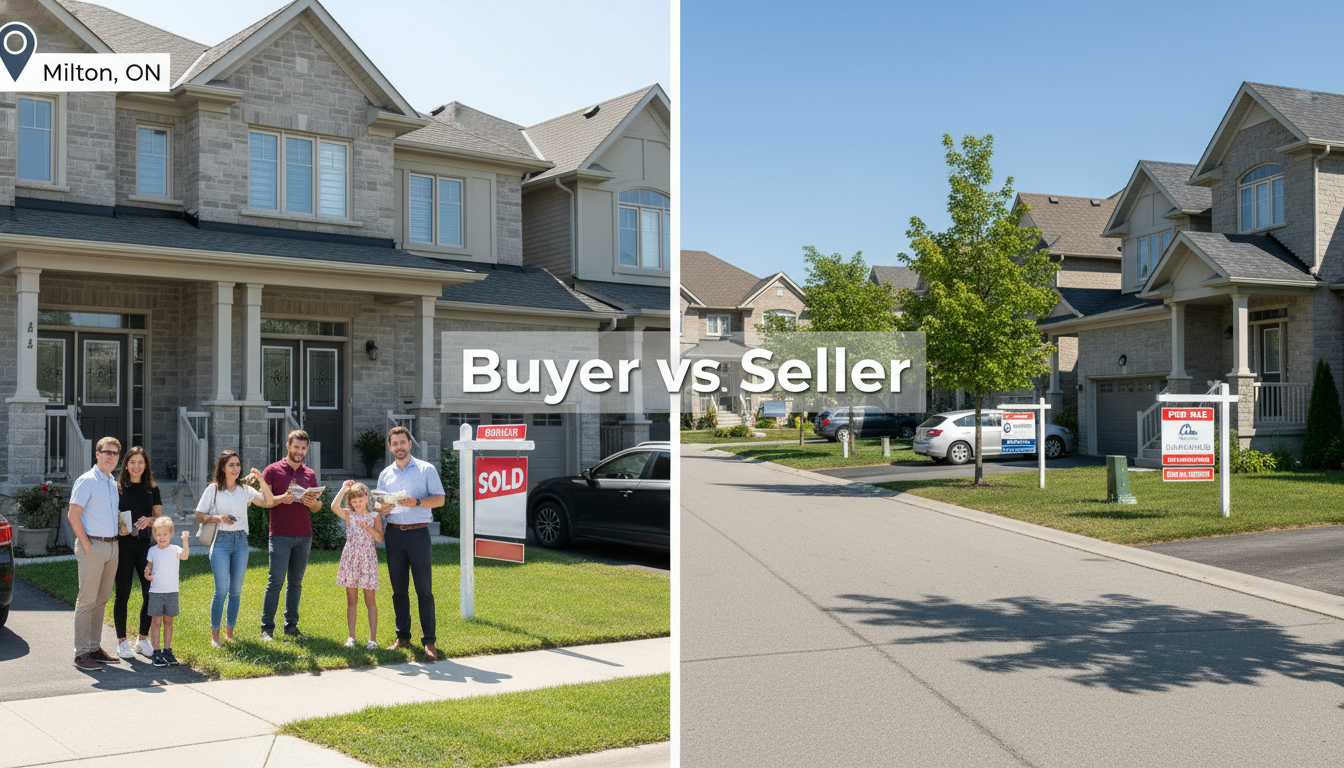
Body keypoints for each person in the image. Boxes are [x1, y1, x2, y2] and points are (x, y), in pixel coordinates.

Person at [195, 450, 287, 647]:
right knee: (221, 591)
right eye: (231, 465)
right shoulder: (213, 489)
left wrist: (262, 480)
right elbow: (199, 515)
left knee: (235, 591)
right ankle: (215, 638)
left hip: (241, 542)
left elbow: (269, 502)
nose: (236, 468)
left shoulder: (245, 490)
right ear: (222, 467)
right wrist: (218, 518)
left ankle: (230, 635)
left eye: (238, 465)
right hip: (220, 540)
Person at [375, 426, 446, 660]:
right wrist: (381, 508)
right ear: (390, 447)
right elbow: (378, 504)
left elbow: (439, 499)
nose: (399, 447)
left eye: (402, 442)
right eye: (394, 444)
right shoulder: (386, 474)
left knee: (424, 590)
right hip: (394, 534)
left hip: (418, 535)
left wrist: (416, 502)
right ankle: (403, 637)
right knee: (398, 591)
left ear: (409, 444)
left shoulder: (426, 469)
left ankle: (429, 642)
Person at [259, 430, 323, 642]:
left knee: (296, 582)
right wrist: (281, 499)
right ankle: (267, 629)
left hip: (304, 535)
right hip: (280, 534)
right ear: (288, 446)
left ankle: (292, 627)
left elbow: (317, 508)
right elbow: (264, 500)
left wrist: (314, 503)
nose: (300, 452)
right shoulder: (273, 470)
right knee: (275, 581)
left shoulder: (309, 473)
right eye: (296, 447)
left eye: (303, 448)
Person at [68, 436, 125, 671]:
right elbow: (73, 514)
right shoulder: (87, 481)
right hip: (92, 546)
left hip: (112, 547)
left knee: (101, 600)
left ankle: (94, 647)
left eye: (115, 453)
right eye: (107, 452)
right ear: (97, 454)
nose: (111, 456)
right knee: (87, 601)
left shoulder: (112, 481)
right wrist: (86, 543)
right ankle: (81, 653)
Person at [113, 446, 160, 661]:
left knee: (149, 593)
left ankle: (142, 639)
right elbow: (109, 515)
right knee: (123, 593)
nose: (136, 466)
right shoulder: (117, 488)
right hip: (123, 547)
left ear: (146, 465)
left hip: (145, 547)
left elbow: (159, 519)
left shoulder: (152, 489)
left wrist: (150, 521)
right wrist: (119, 526)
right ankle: (122, 641)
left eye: (141, 462)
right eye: (132, 462)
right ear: (126, 465)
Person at [332, 480, 383, 649]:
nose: (357, 504)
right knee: (351, 600)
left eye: (360, 500)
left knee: (370, 600)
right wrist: (343, 489)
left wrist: (368, 528)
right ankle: (351, 637)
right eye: (354, 501)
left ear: (367, 498)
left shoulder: (375, 516)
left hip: (368, 560)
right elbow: (334, 507)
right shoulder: (349, 515)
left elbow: (379, 538)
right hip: (350, 560)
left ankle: (372, 639)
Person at [144, 517, 189, 667]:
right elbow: (149, 566)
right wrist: (147, 572)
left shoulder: (175, 549)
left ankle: (167, 650)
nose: (161, 538)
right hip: (156, 592)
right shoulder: (152, 551)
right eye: (158, 535)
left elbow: (185, 556)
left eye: (165, 534)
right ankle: (156, 651)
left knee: (168, 621)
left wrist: (185, 541)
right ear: (154, 535)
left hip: (172, 592)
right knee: (156, 622)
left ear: (171, 534)